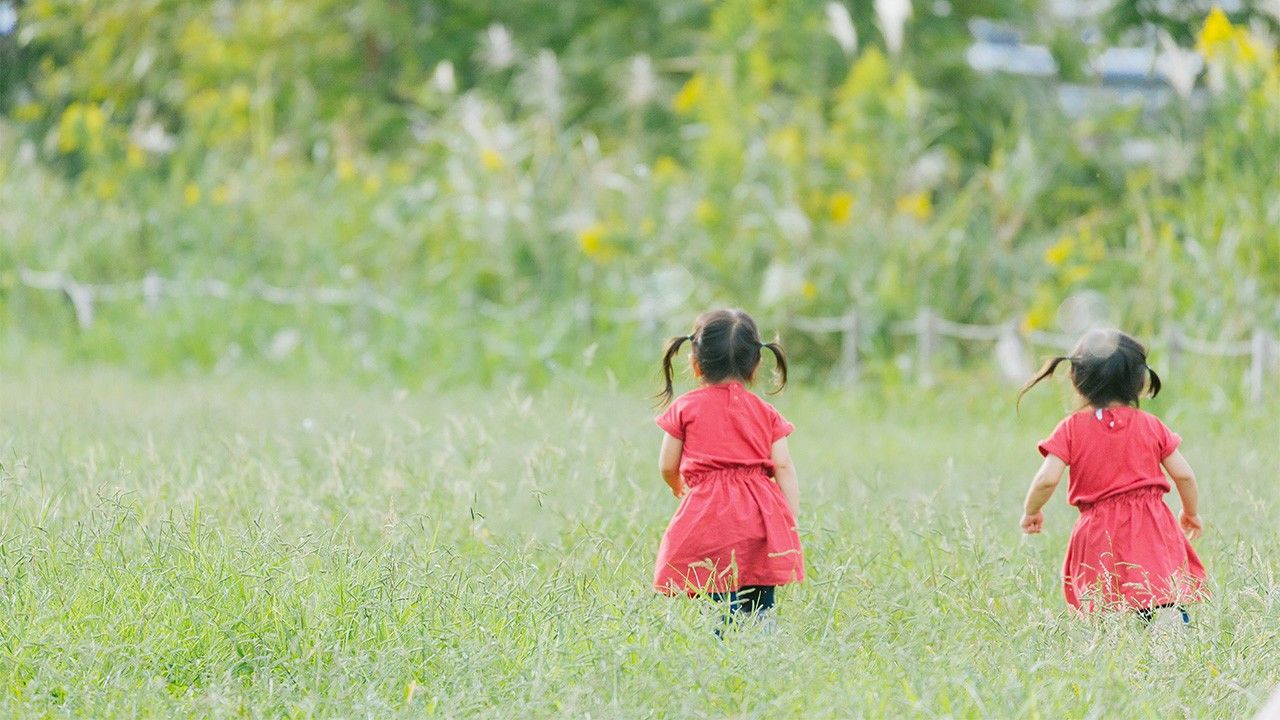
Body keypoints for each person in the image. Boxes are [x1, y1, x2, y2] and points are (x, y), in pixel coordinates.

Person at [1018, 328, 1207, 619]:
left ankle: (1105, 640)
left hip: (1097, 531)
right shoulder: (1151, 425)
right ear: (1139, 381)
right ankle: (1169, 633)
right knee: (1160, 592)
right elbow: (1184, 476)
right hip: (1150, 525)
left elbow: (1046, 479)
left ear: (1077, 379)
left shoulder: (1071, 428)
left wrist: (1031, 511)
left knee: (1101, 602)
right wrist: (1190, 512)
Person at [652, 308, 804, 628]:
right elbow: (783, 465)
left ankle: (719, 644)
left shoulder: (685, 407)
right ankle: (760, 645)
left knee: (716, 606)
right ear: (756, 365)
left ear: (695, 363)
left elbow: (667, 464)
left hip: (708, 520)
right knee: (759, 606)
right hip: (759, 520)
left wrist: (677, 485)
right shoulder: (766, 412)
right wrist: (787, 519)